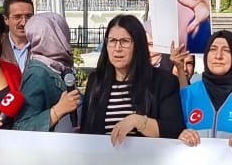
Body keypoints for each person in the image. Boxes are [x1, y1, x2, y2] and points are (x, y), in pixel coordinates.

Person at [78, 15, 186, 143]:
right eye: (112, 41)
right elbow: (87, 130)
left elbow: (174, 129)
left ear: (138, 45)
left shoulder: (163, 81)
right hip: (104, 160)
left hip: (148, 160)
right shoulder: (96, 81)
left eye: (125, 41)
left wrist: (138, 121)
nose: (117, 48)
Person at [16, 11, 82, 132]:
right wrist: (58, 111)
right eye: (62, 32)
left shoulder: (59, 67)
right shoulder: (37, 73)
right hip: (45, 149)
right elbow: (22, 126)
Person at [3, 0, 35, 70]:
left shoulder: (42, 47)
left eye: (28, 16)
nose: (23, 23)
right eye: (17, 17)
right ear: (6, 19)